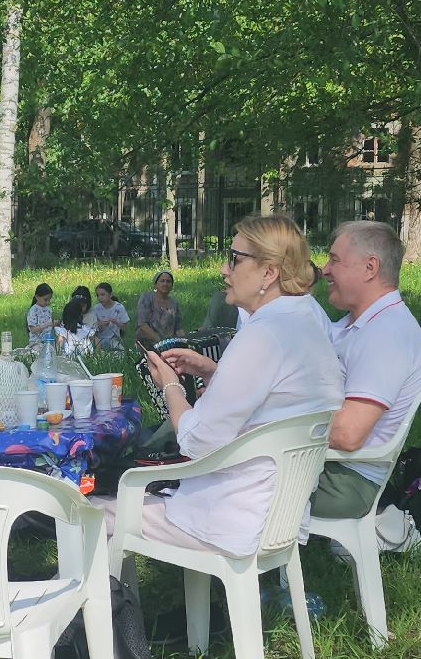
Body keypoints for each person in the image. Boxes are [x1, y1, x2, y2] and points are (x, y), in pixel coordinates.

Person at [105, 215, 342, 556]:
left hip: (226, 518)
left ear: (269, 272)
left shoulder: (262, 335)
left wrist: (170, 385)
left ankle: (102, 591)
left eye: (235, 259)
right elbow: (276, 402)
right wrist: (214, 372)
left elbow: (195, 441)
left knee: (85, 511)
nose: (223, 269)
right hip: (281, 515)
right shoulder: (307, 320)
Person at [314, 220, 421, 518]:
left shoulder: (386, 334)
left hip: (346, 481)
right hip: (326, 467)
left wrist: (266, 421)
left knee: (224, 481)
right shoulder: (357, 324)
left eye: (335, 260)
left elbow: (347, 434)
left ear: (370, 268)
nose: (324, 270)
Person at [135, 270, 182, 346]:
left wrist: (184, 341)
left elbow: (178, 328)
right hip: (148, 343)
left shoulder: (174, 303)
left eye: (168, 281)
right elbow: (142, 324)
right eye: (162, 281)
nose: (165, 284)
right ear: (155, 284)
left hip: (169, 344)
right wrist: (159, 341)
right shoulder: (146, 298)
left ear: (172, 286)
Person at [90, 282, 129, 350]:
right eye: (98, 295)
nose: (100, 298)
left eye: (102, 295)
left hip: (114, 340)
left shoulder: (119, 308)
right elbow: (92, 328)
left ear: (110, 295)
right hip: (98, 340)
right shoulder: (96, 308)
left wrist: (116, 322)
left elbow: (124, 328)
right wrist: (100, 324)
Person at [25, 282, 55, 347]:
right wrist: (48, 324)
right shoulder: (33, 310)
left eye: (49, 300)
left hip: (48, 340)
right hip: (36, 342)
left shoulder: (48, 310)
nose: (47, 302)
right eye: (45, 300)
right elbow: (33, 329)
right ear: (37, 297)